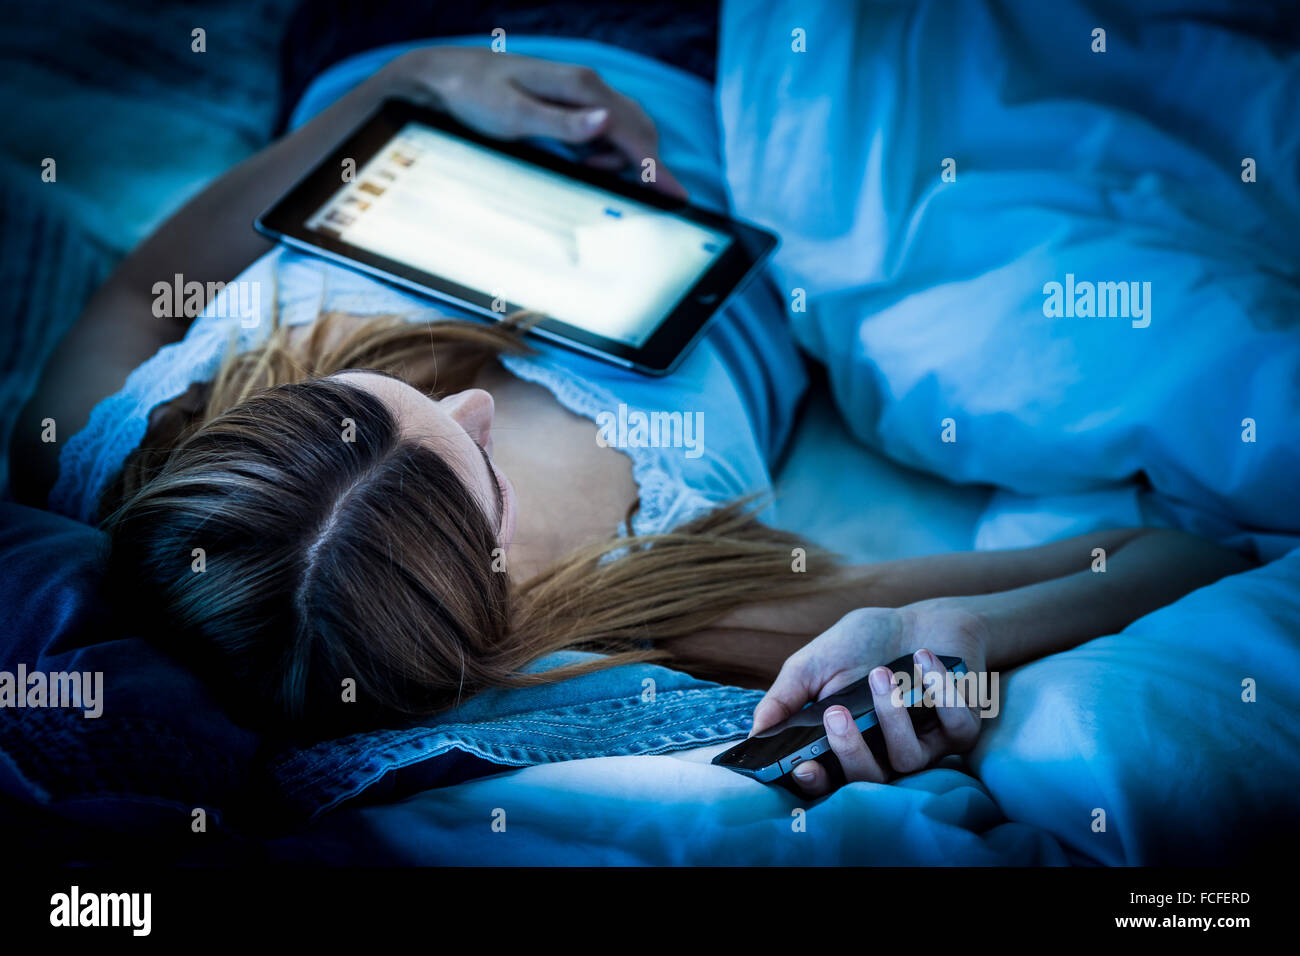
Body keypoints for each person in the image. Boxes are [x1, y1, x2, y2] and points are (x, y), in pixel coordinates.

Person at [14, 46, 1253, 780]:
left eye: (352, 391)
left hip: (413, 55)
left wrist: (419, 82)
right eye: (476, 473)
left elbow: (140, 285)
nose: (471, 401)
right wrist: (962, 628)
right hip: (725, 88)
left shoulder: (111, 458)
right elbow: (1186, 553)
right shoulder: (689, 606)